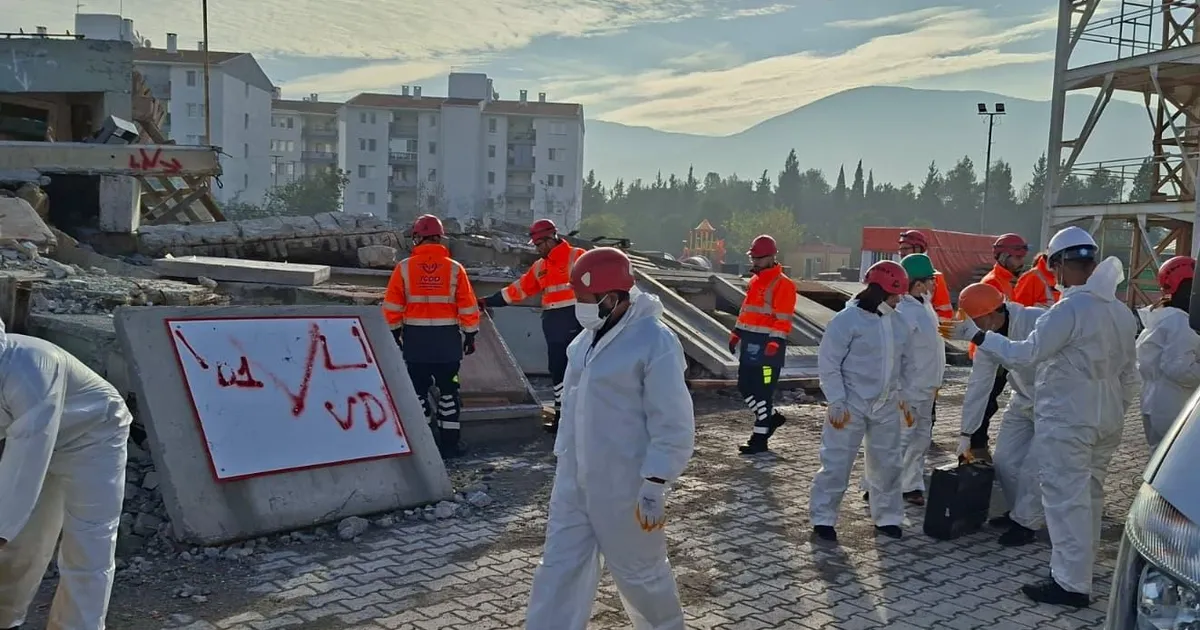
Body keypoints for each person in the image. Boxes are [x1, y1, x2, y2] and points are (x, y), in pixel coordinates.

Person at [942, 225, 1139, 607]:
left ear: (1060, 264)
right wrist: (1114, 409)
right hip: (1106, 418)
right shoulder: (1119, 311)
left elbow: (1024, 355)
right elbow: (1130, 375)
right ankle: (1078, 572)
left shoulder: (1068, 310)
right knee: (1089, 498)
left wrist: (976, 335)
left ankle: (1069, 583)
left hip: (1069, 419)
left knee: (1065, 501)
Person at [525, 247, 694, 630]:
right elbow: (571, 409)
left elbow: (673, 420)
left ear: (612, 298)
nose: (578, 308)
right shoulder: (583, 343)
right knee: (558, 571)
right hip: (574, 481)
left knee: (642, 576)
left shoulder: (654, 341)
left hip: (626, 486)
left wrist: (656, 481)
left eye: (585, 301)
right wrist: (563, 459)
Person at [0, 320, 133, 629]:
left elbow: (28, 456)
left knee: (88, 545)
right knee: (23, 544)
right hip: (36, 444)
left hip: (96, 436)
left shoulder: (32, 368)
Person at [809, 259, 911, 543]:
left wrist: (903, 397)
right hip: (850, 405)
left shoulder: (898, 322)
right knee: (836, 463)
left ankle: (888, 518)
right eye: (896, 294)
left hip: (885, 406)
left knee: (888, 465)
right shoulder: (847, 320)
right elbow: (828, 362)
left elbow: (902, 364)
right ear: (881, 291)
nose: (899, 300)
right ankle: (823, 519)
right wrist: (837, 400)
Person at [954, 282, 1046, 548]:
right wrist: (966, 434)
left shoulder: (1037, 321)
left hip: (1054, 404)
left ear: (991, 313)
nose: (974, 327)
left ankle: (1026, 524)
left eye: (975, 321)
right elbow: (978, 386)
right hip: (1023, 400)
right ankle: (1018, 511)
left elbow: (1024, 357)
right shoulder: (985, 339)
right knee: (1005, 461)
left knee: (1034, 468)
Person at [382, 214, 480, 458]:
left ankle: (425, 448)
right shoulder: (455, 269)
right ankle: (450, 445)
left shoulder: (403, 268)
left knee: (419, 392)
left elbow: (392, 307)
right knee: (449, 391)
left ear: (417, 238)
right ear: (440, 238)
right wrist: (470, 335)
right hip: (447, 340)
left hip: (416, 341)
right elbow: (468, 306)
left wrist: (394, 334)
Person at [479, 219, 585, 434]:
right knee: (557, 371)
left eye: (539, 244)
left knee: (581, 370)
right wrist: (488, 301)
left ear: (551, 238)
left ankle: (582, 417)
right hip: (554, 323)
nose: (537, 249)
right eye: (535, 245)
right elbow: (517, 291)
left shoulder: (578, 256)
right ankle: (561, 417)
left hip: (578, 320)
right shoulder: (540, 267)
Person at [728, 234, 797, 454]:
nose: (755, 262)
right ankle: (771, 418)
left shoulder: (784, 284)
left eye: (759, 258)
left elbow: (783, 317)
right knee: (745, 386)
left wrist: (775, 342)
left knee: (763, 391)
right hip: (750, 344)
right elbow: (746, 311)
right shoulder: (755, 281)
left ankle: (759, 439)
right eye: (753, 258)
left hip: (769, 349)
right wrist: (737, 332)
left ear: (771, 257)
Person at [891, 253, 945, 506]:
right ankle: (879, 486)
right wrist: (899, 390)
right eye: (930, 280)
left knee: (920, 439)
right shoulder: (903, 312)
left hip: (927, 388)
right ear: (918, 284)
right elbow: (895, 354)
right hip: (909, 390)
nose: (934, 285)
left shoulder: (924, 306)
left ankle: (910, 484)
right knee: (899, 439)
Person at [1136, 255, 1200, 450]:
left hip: (1156, 403)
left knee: (1159, 457)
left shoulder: (1162, 318)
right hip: (1174, 406)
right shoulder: (1181, 323)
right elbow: (1180, 369)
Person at [898, 229, 954, 320]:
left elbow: (945, 312)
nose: (902, 253)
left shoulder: (935, 277)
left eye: (905, 249)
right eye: (900, 249)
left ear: (918, 248)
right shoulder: (896, 273)